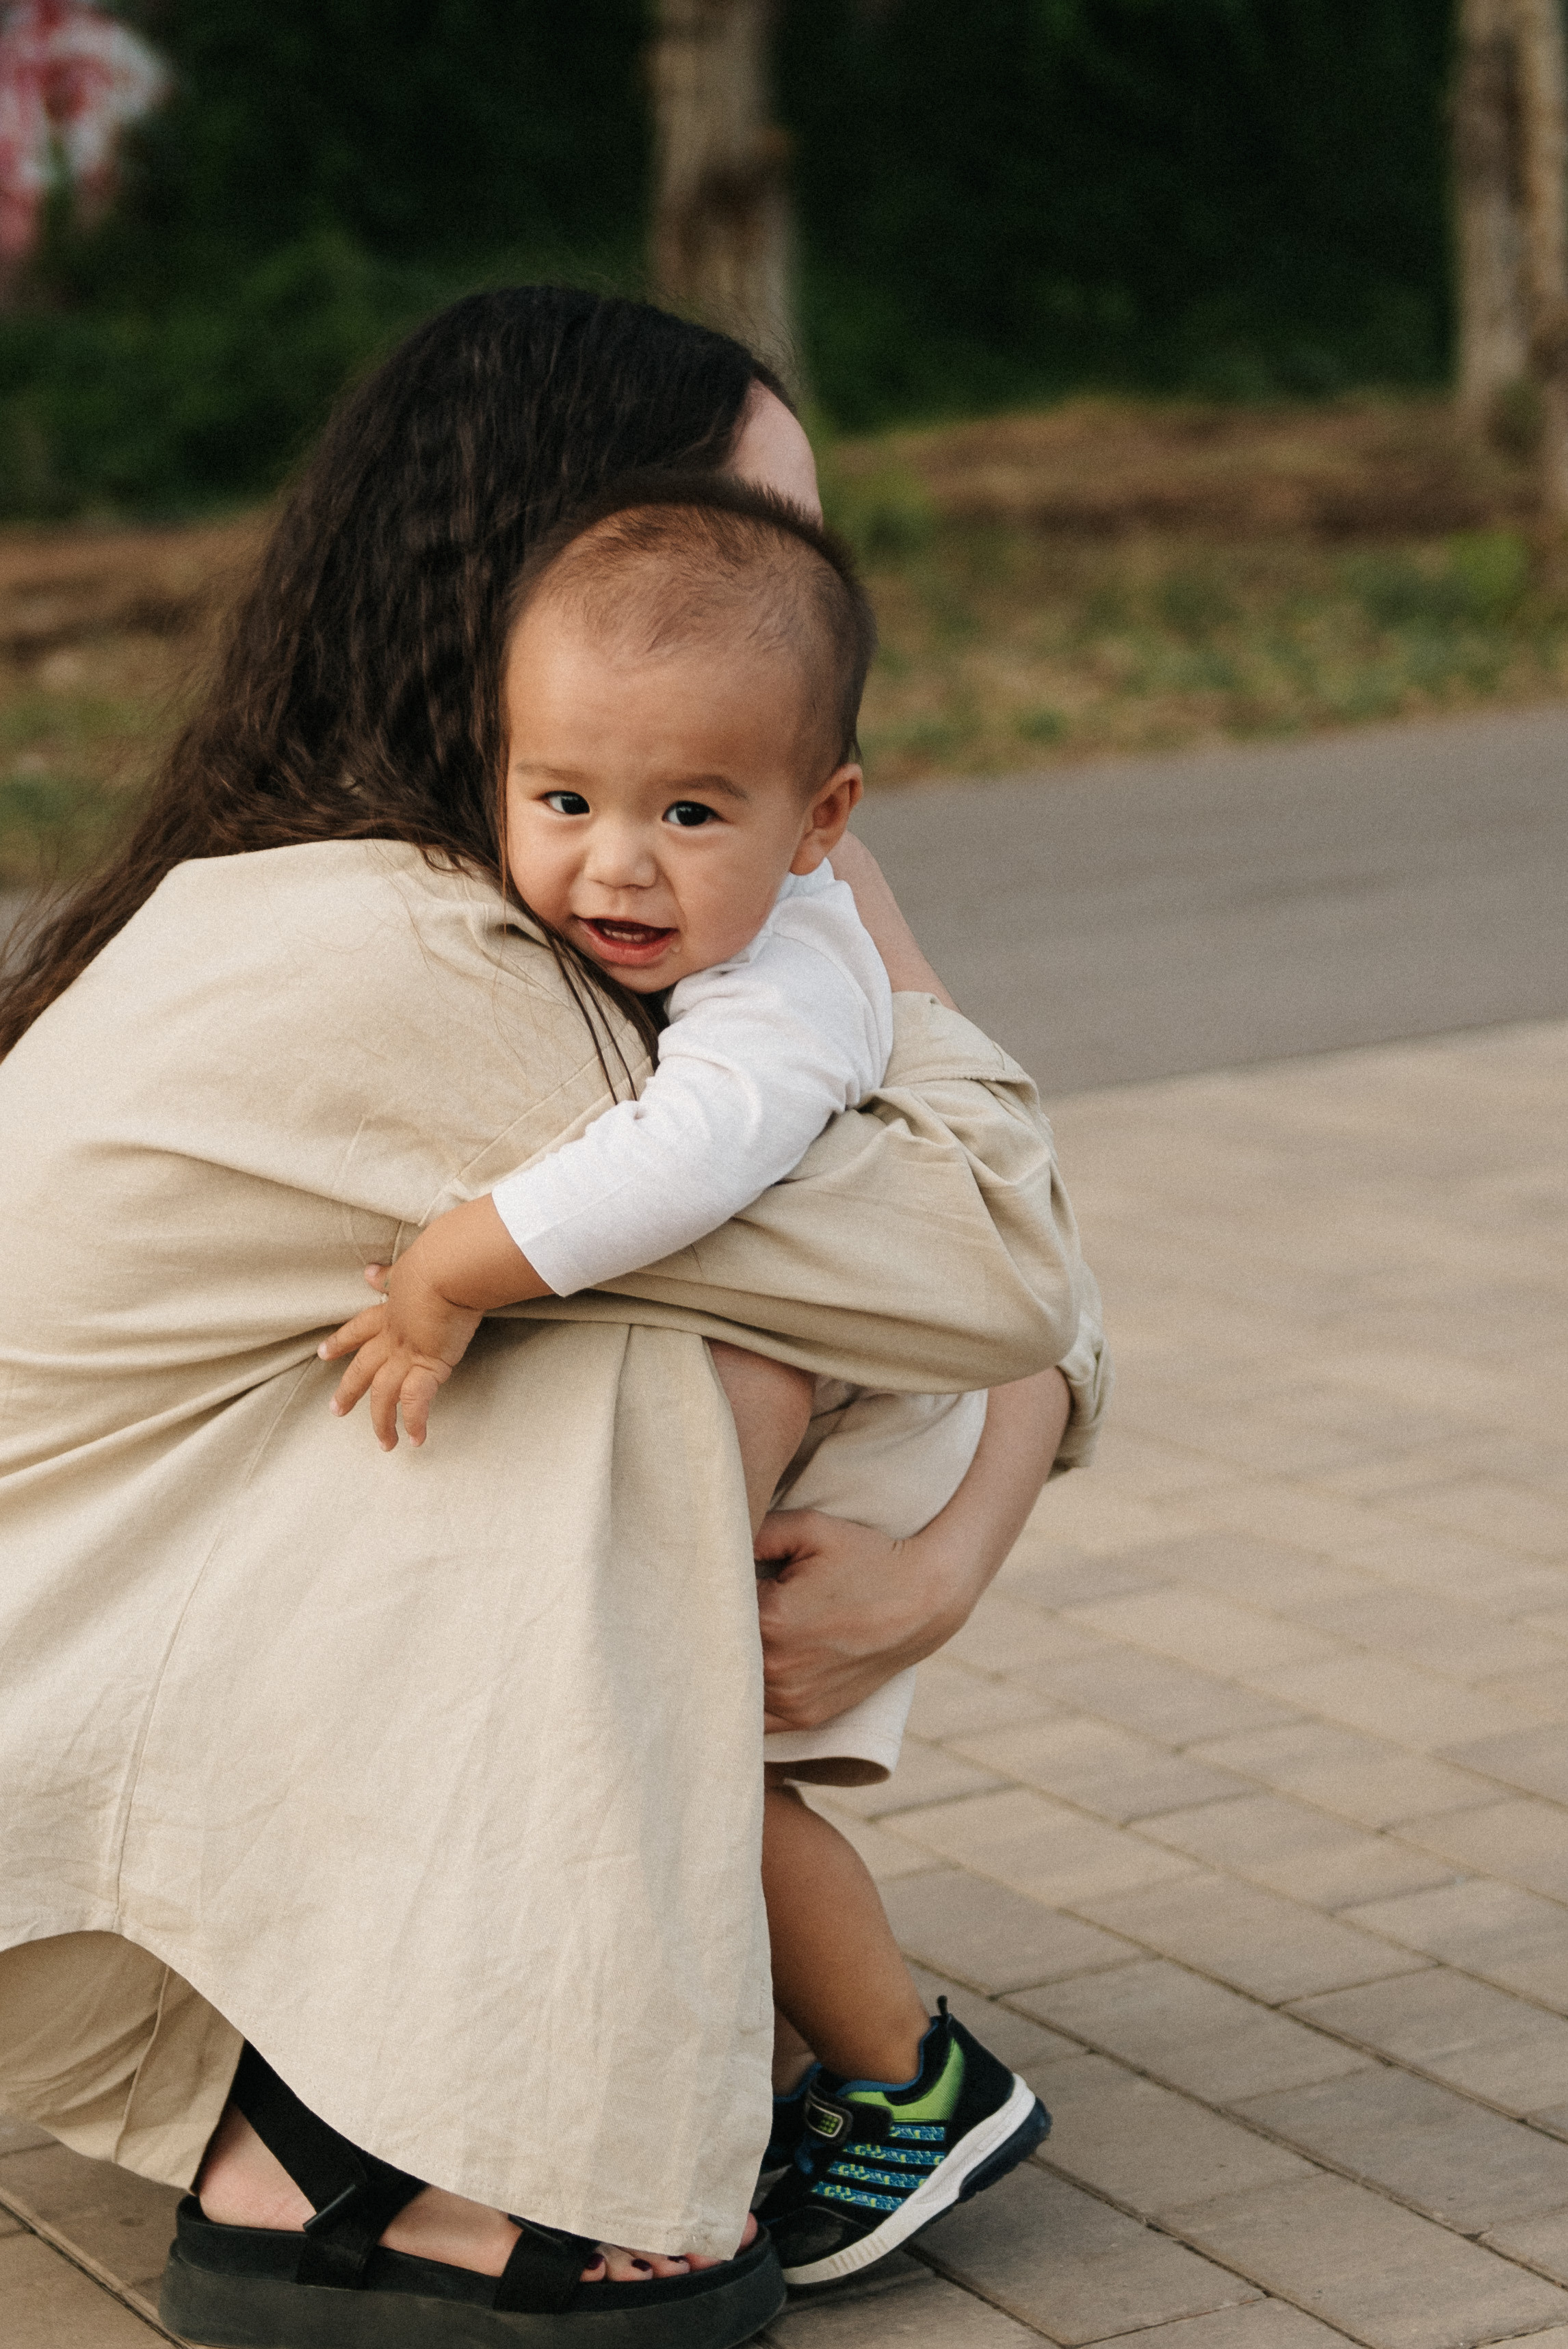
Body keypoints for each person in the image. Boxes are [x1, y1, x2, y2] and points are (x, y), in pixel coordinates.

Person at [0, 288, 1108, 2349]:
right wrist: (875, 938)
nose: (803, 595)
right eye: (752, 536)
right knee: (647, 1354)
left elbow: (1004, 1302)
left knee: (658, 1299)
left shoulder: (398, 882)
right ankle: (362, 2140)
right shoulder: (421, 965)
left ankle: (442, 2045)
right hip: (52, 1792)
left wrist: (949, 1553)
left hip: (71, 1720)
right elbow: (990, 1259)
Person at [319, 476, 1056, 2285]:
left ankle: (912, 2080)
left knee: (694, 1770)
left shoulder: (786, 981)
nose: (618, 865)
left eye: (690, 813)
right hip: (822, 1386)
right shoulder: (700, 914)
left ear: (820, 825)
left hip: (870, 1412)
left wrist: (454, 1266)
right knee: (672, 1760)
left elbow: (690, 1155)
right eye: (563, 801)